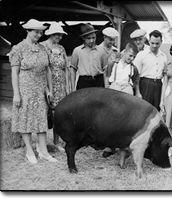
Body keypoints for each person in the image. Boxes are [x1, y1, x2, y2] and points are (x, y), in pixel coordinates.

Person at [9, 19, 57, 164]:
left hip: (40, 90)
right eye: (36, 31)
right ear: (28, 31)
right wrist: (16, 94)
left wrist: (50, 90)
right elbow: (14, 73)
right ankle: (29, 150)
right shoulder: (18, 49)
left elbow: (48, 70)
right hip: (25, 90)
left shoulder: (43, 49)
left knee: (42, 119)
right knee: (26, 119)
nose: (39, 34)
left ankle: (43, 151)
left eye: (41, 32)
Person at [40, 22, 69, 151]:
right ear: (51, 34)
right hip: (46, 85)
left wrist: (67, 85)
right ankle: (42, 144)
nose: (59, 37)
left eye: (61, 35)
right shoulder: (43, 47)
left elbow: (66, 68)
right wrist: (48, 89)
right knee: (45, 114)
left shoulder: (61, 48)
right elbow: (44, 69)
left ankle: (57, 142)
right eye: (57, 34)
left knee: (58, 114)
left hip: (60, 85)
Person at [133, 30, 167, 111]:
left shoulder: (163, 56)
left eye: (157, 43)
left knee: (155, 112)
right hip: (145, 85)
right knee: (143, 111)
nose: (154, 46)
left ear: (161, 42)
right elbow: (136, 76)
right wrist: (137, 92)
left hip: (158, 85)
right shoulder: (141, 55)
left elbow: (165, 76)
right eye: (152, 43)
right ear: (149, 41)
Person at [70, 23, 108, 91]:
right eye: (88, 38)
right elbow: (73, 69)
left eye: (93, 38)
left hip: (98, 81)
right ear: (83, 38)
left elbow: (105, 70)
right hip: (83, 82)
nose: (91, 41)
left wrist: (106, 87)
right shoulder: (77, 51)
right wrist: (73, 87)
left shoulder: (102, 51)